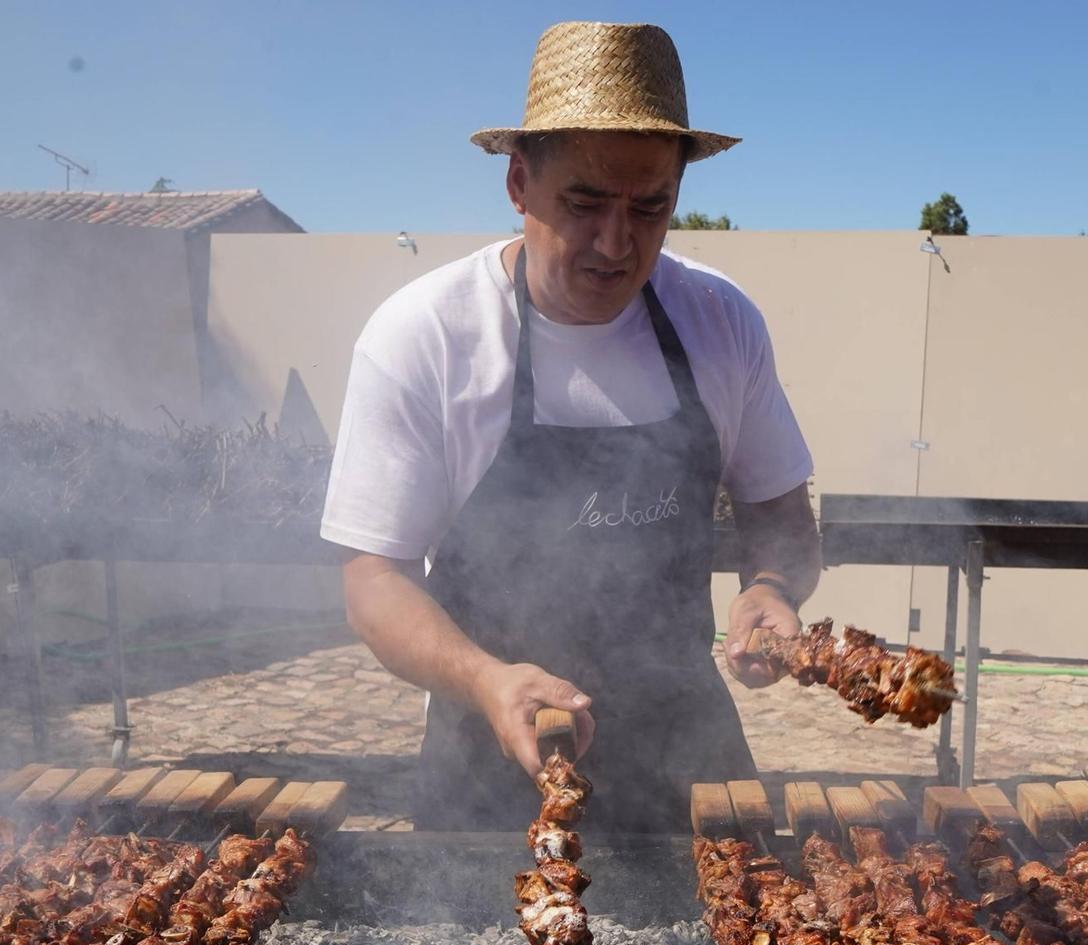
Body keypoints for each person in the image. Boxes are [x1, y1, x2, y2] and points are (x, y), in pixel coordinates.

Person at [321, 22, 822, 833]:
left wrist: (771, 586)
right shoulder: (426, 334)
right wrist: (487, 679)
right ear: (519, 183)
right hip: (488, 764)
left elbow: (783, 517)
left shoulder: (720, 322)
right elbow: (371, 580)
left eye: (650, 207)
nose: (616, 243)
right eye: (584, 204)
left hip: (686, 756)